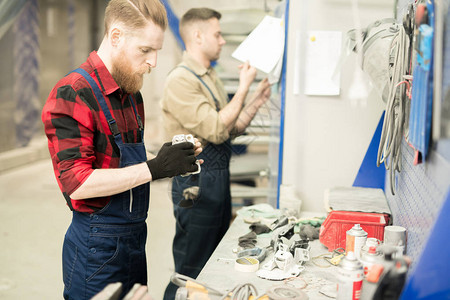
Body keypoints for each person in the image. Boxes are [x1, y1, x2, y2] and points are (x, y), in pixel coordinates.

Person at [41, 1, 202, 299]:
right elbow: (77, 184)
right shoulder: (73, 92)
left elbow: (126, 168)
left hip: (134, 239)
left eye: (157, 50)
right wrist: (155, 168)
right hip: (96, 248)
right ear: (116, 37)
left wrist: (171, 159)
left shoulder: (131, 95)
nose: (153, 62)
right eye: (145, 50)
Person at [160, 7, 271, 299]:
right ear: (197, 36)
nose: (222, 41)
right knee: (190, 269)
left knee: (214, 263)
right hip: (196, 184)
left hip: (217, 178)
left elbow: (229, 127)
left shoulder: (209, 76)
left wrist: (255, 102)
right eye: (217, 34)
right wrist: (244, 87)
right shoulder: (181, 80)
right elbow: (216, 129)